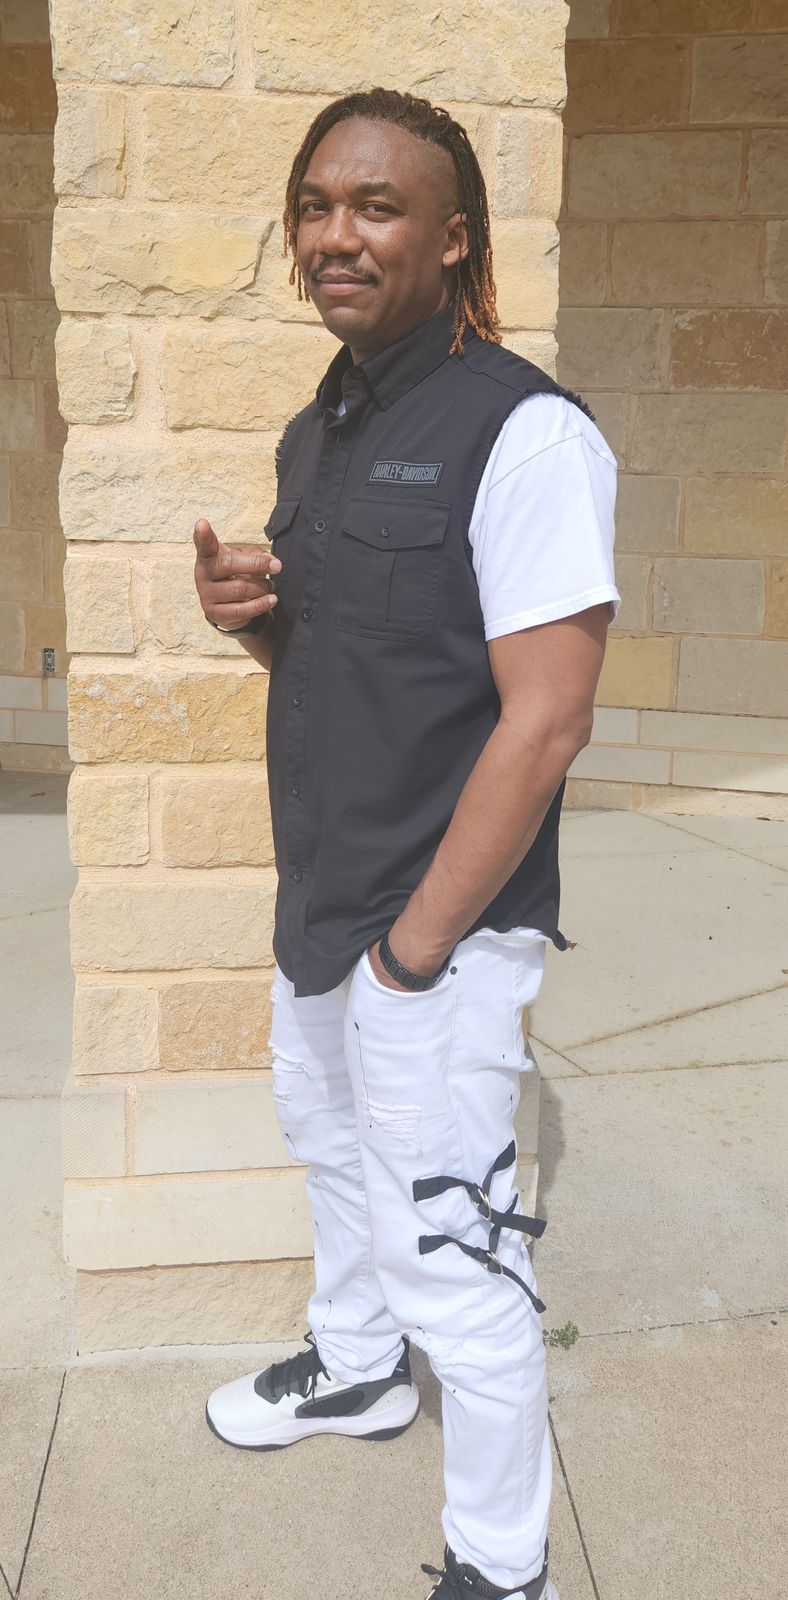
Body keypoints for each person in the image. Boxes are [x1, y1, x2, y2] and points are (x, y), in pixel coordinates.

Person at [192, 87, 619, 1600]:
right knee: (329, 1153)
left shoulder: (530, 434)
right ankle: (358, 1367)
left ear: (454, 240)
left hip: (439, 935)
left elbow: (547, 721)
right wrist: (255, 620)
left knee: (459, 1252)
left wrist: (416, 954)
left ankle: (502, 1566)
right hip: (326, 901)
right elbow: (354, 661)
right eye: (316, 205)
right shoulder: (326, 420)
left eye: (376, 206)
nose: (336, 234)